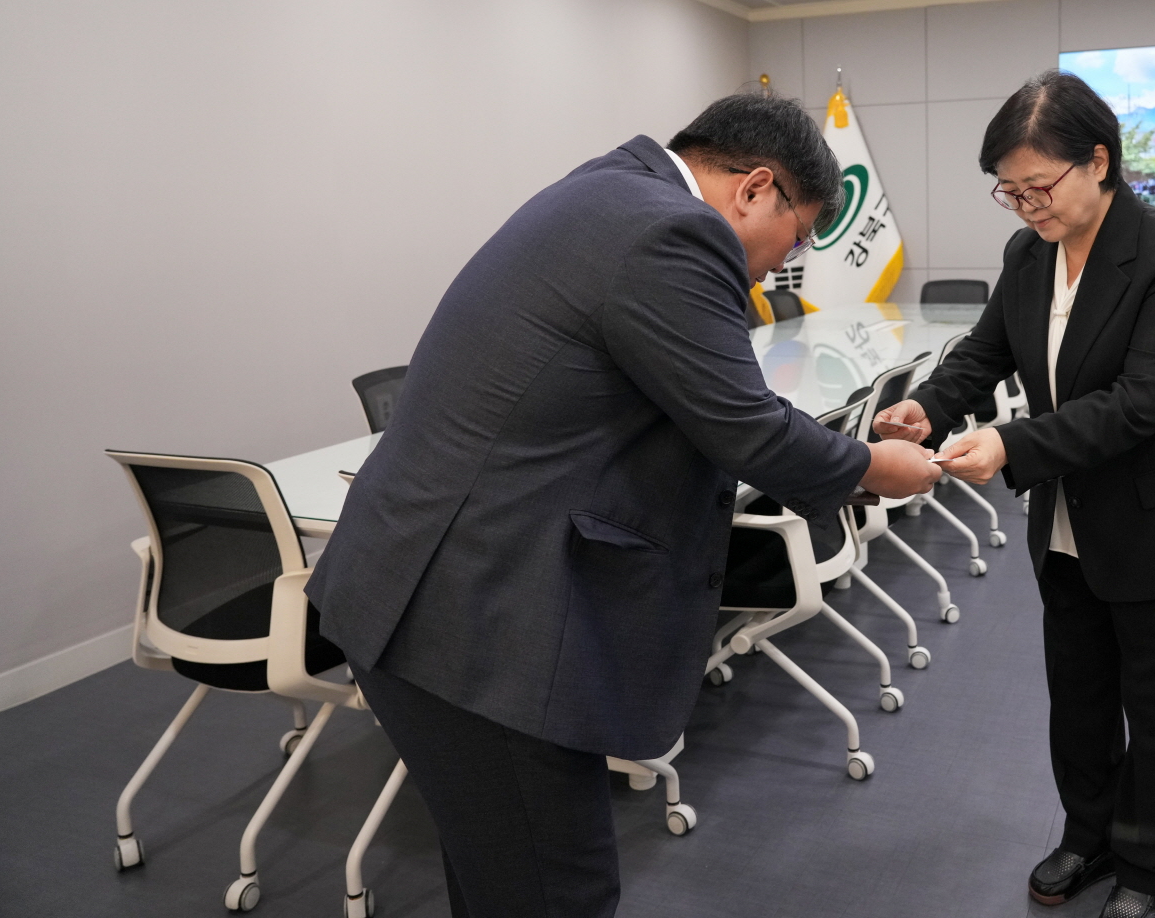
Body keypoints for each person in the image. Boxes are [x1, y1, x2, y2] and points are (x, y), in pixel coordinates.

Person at [306, 93, 941, 918]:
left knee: (502, 876)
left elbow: (687, 404)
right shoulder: (674, 232)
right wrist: (873, 467)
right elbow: (746, 428)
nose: (778, 268)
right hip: (478, 622)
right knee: (556, 891)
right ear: (755, 189)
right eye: (798, 239)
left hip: (427, 586)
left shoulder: (609, 190)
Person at [874, 70, 1155, 918]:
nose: (1025, 207)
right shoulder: (1029, 255)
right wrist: (928, 408)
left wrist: (1011, 444)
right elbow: (985, 353)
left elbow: (1142, 402)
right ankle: (1089, 836)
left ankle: (1151, 866)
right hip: (1069, 521)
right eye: (1009, 192)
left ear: (1099, 161)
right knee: (1079, 695)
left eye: (1037, 187)